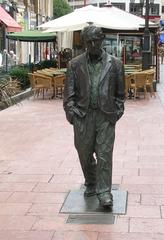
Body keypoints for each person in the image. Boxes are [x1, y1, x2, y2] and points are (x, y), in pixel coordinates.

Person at [63, 25, 125, 208]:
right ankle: (91, 182)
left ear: (102, 39)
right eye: (88, 41)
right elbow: (69, 94)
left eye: (95, 40)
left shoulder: (115, 64)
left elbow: (120, 94)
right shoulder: (75, 64)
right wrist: (72, 113)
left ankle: (104, 192)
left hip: (105, 116)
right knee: (84, 153)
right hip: (82, 116)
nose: (92, 44)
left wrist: (116, 113)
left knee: (104, 154)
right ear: (84, 43)